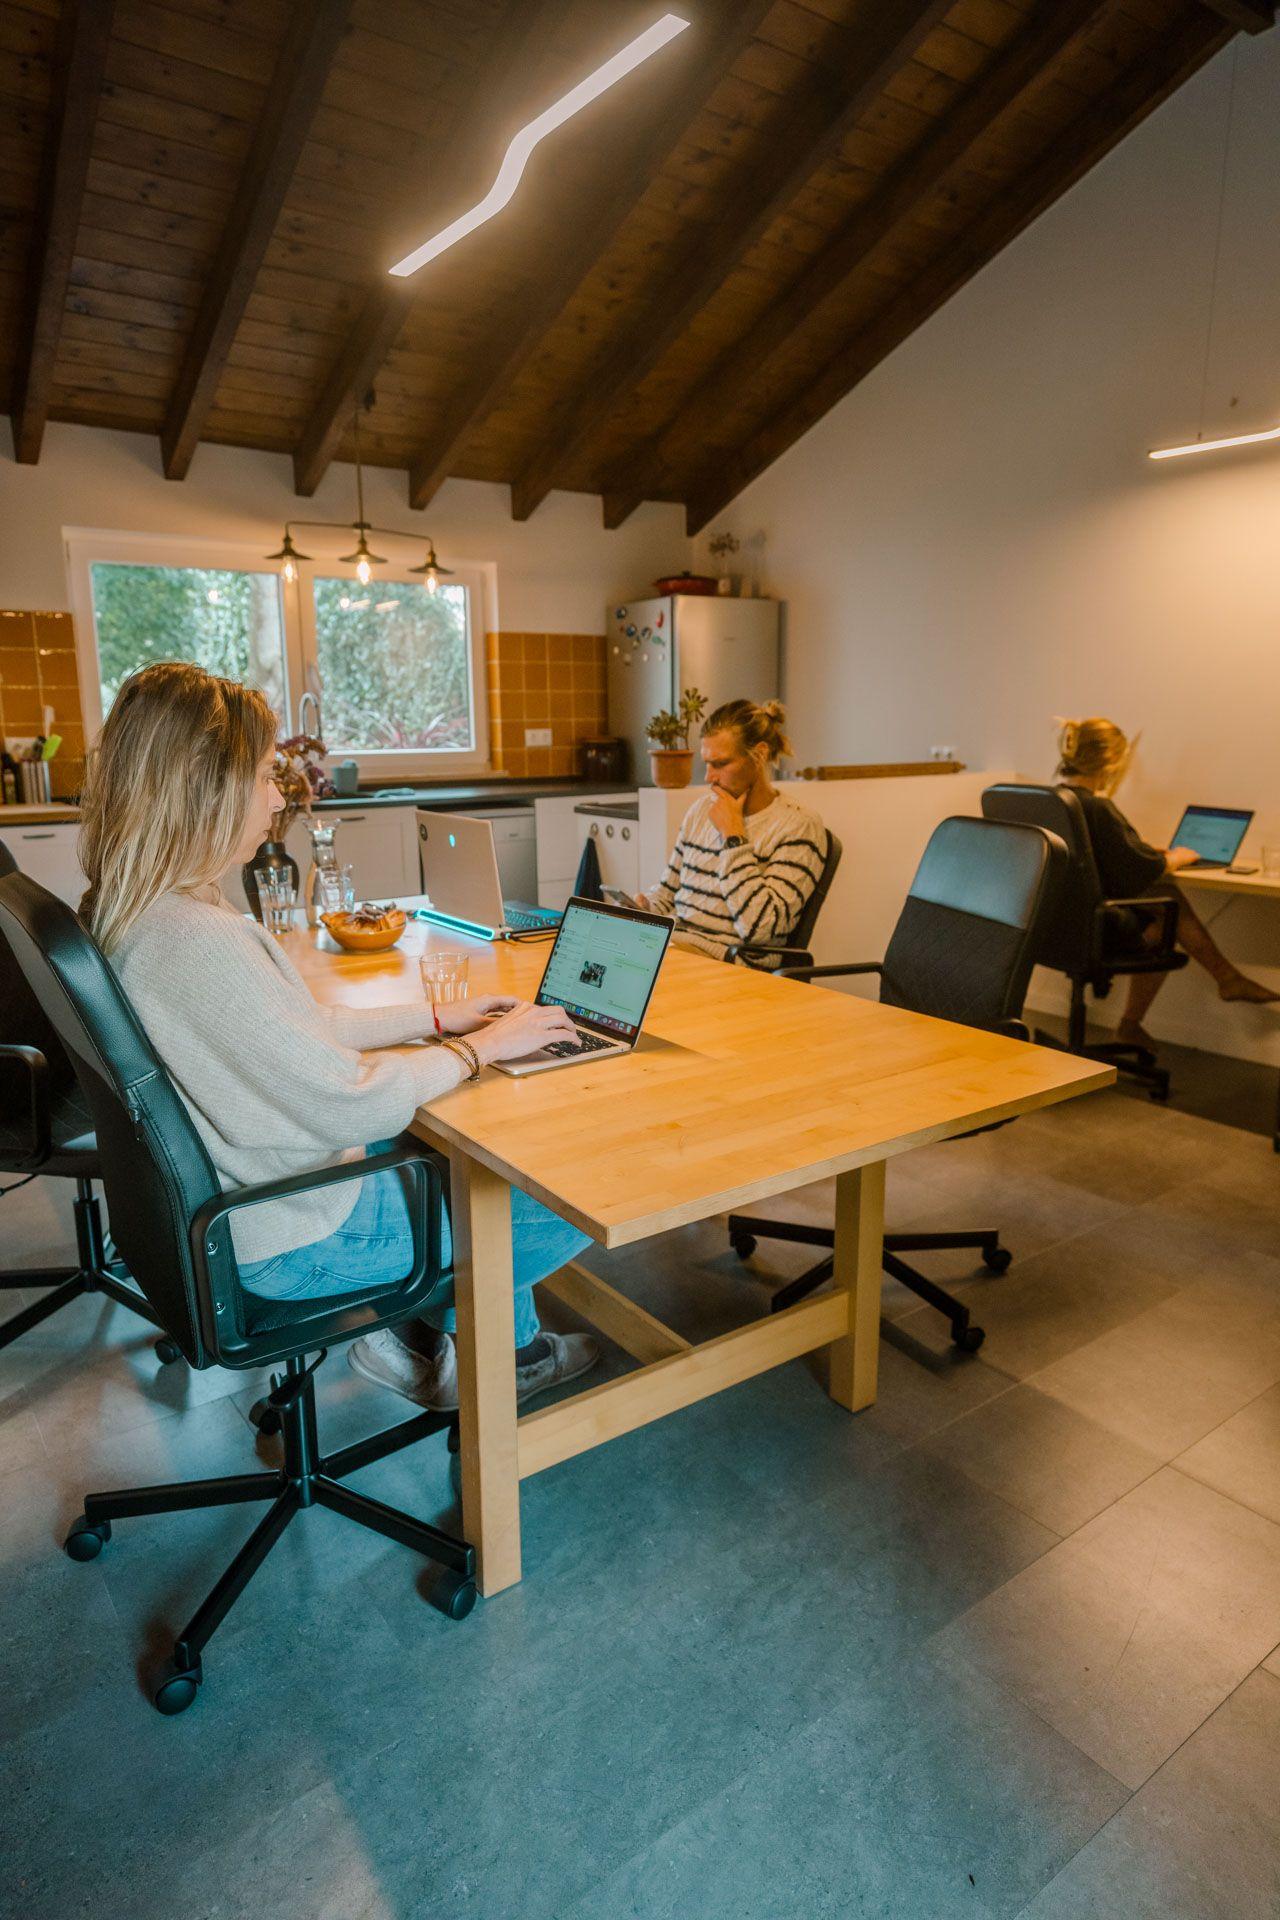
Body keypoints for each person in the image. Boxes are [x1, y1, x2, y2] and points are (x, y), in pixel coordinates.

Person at [78, 661, 600, 1413]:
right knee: (557, 1198)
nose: (278, 794)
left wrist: (432, 1019)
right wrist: (477, 1051)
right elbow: (348, 1103)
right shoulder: (195, 941)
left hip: (248, 1200)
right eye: (263, 775)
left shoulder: (144, 915)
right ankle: (472, 1352)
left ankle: (431, 1343)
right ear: (204, 787)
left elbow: (287, 1033)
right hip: (294, 1234)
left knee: (455, 1155)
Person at [1055, 715, 1277, 1049]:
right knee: (1164, 906)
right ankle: (1227, 979)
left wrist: (1143, 851)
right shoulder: (1096, 806)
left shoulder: (1056, 800)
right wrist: (1175, 857)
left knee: (1161, 920)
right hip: (1095, 929)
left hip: (1055, 927)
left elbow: (1105, 855)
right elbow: (1143, 868)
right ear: (1113, 761)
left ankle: (1134, 1024)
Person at [636, 698, 827, 963]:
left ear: (759, 754)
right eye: (707, 764)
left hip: (730, 963)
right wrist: (645, 908)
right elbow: (667, 894)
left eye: (721, 764)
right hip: (677, 949)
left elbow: (762, 929)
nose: (708, 777)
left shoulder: (798, 825)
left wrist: (734, 838)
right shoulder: (700, 812)